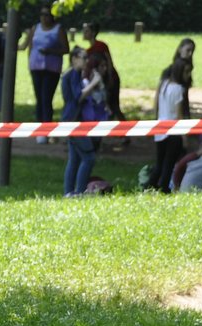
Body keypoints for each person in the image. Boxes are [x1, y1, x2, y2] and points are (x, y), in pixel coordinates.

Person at [61, 48, 108, 196]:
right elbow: (77, 97)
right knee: (89, 158)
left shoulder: (75, 74)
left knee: (74, 159)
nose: (86, 61)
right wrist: (94, 83)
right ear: (74, 58)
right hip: (73, 121)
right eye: (83, 57)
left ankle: (69, 192)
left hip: (73, 120)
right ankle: (80, 192)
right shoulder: (71, 75)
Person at [26, 6, 68, 143]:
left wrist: (51, 51)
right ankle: (40, 130)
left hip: (52, 68)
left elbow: (65, 48)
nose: (44, 17)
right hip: (36, 67)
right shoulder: (35, 28)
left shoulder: (59, 29)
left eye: (47, 15)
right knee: (39, 98)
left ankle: (47, 128)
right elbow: (29, 46)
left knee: (46, 98)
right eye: (42, 14)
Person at [148, 60, 190, 192]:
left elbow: (156, 106)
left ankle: (149, 186)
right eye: (186, 72)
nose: (188, 75)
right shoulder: (178, 89)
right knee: (169, 163)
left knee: (160, 162)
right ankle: (164, 188)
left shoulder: (164, 84)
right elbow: (179, 115)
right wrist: (184, 136)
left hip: (160, 128)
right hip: (173, 130)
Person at [81, 21, 122, 120]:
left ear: (93, 33)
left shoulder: (101, 45)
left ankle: (123, 131)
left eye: (87, 31)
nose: (84, 33)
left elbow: (109, 61)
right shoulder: (88, 51)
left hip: (109, 77)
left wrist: (110, 77)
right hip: (100, 80)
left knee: (114, 104)